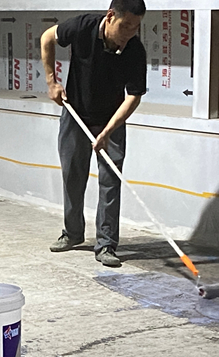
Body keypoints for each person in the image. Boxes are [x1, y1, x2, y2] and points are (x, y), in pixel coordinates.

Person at [40, 0, 147, 268]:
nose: (130, 33)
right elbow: (47, 37)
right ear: (110, 16)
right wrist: (52, 81)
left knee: (110, 181)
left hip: (112, 119)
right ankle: (72, 233)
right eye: (125, 26)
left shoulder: (135, 50)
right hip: (75, 113)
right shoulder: (82, 26)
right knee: (72, 176)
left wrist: (107, 131)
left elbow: (133, 97)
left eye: (136, 27)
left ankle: (107, 244)